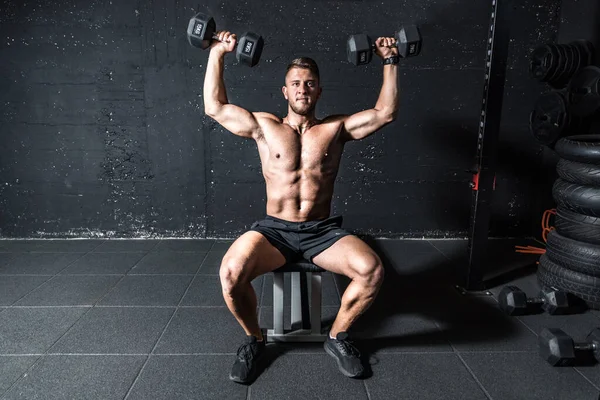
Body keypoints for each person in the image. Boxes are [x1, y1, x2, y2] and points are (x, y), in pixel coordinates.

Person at [203, 30, 399, 384]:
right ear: (285, 91)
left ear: (319, 90)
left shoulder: (335, 129)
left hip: (321, 231)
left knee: (371, 270)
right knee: (231, 275)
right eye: (295, 83)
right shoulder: (264, 126)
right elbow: (214, 107)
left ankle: (338, 337)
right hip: (274, 230)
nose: (302, 89)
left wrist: (390, 60)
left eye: (309, 84)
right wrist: (218, 52)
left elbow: (385, 113)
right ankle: (254, 339)